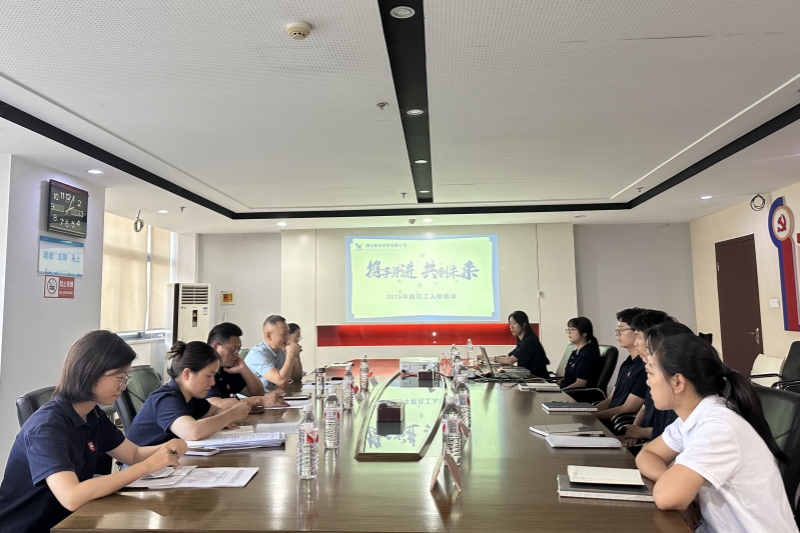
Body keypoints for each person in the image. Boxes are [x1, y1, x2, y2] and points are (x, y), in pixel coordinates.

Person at [0, 331, 188, 533]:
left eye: (125, 378)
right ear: (89, 372)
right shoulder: (46, 427)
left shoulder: (93, 415)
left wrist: (166, 448)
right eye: (119, 377)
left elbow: (133, 454)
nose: (123, 387)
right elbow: (71, 496)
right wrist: (148, 466)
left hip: (69, 522)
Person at [636, 334, 797, 533]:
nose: (648, 383)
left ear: (678, 382)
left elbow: (666, 496)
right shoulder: (693, 417)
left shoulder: (718, 428)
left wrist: (678, 490)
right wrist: (676, 486)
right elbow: (648, 454)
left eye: (651, 374)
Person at [126, 341, 250, 447]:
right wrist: (232, 414)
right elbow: (192, 432)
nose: (212, 382)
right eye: (208, 376)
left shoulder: (191, 397)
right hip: (141, 464)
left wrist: (221, 418)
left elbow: (215, 411)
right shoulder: (166, 399)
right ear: (187, 374)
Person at [620, 310, 679, 445]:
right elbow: (645, 406)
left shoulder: (670, 384)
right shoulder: (657, 377)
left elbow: (673, 437)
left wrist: (641, 432)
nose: (636, 343)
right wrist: (636, 429)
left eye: (638, 337)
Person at [206, 322, 287, 409]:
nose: (236, 354)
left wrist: (244, 369)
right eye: (233, 349)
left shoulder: (227, 369)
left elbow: (258, 393)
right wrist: (259, 400)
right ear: (215, 347)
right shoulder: (203, 367)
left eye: (238, 350)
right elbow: (215, 404)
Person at [594, 308, 647, 421]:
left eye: (622, 330)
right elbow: (610, 400)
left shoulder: (645, 366)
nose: (617, 334)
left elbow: (629, 408)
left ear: (637, 332)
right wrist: (588, 413)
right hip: (608, 418)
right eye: (616, 330)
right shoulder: (627, 363)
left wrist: (591, 417)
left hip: (619, 422)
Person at [245, 315, 303, 391]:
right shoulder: (257, 354)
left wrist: (296, 355)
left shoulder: (280, 351)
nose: (287, 338)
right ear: (269, 335)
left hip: (274, 395)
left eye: (288, 333)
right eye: (284, 334)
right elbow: (281, 381)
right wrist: (290, 354)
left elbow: (296, 377)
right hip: (259, 397)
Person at [492, 310, 549, 378]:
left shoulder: (530, 341)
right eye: (510, 323)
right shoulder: (522, 339)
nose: (511, 327)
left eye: (514, 323)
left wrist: (490, 359)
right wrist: (491, 358)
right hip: (528, 377)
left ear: (524, 325)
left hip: (537, 379)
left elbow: (510, 360)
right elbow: (508, 356)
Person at [559, 317, 602, 390]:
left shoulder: (588, 354)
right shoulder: (575, 353)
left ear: (584, 334)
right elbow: (567, 378)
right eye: (569, 329)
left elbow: (580, 383)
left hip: (574, 393)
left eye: (573, 329)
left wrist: (561, 392)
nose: (569, 332)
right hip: (565, 390)